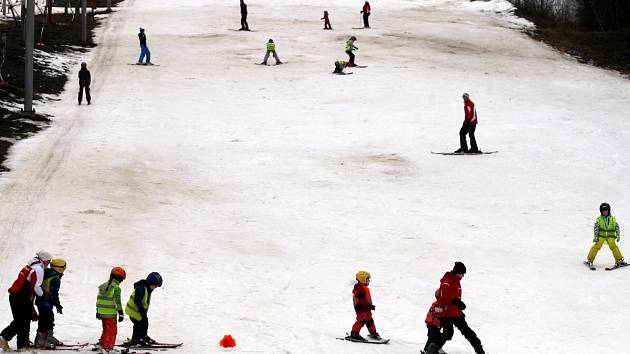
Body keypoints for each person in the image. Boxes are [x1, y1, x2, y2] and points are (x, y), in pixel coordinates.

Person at [0, 250, 53, 352]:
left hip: (15, 296)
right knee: (24, 321)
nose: (49, 263)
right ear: (44, 260)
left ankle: (3, 338)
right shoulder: (38, 269)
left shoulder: (32, 265)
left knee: (21, 320)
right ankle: (23, 347)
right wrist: (43, 295)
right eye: (49, 261)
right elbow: (36, 287)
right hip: (21, 296)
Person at [435, 262, 485, 354]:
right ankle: (432, 350)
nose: (463, 276)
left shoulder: (456, 281)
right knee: (448, 334)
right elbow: (444, 296)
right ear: (457, 272)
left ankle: (480, 351)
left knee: (468, 332)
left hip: (456, 313)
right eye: (462, 273)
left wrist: (458, 306)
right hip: (447, 313)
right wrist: (455, 301)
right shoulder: (446, 281)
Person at [34, 259, 66, 349]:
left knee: (49, 318)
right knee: (45, 321)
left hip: (41, 301)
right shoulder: (55, 278)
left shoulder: (46, 272)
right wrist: (58, 305)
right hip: (46, 302)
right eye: (64, 267)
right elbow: (54, 294)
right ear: (60, 268)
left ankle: (48, 337)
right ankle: (40, 341)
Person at [124, 272, 163, 346]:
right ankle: (136, 339)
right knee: (139, 325)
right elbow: (137, 300)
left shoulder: (147, 288)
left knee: (144, 323)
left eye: (155, 287)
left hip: (139, 311)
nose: (154, 288)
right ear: (149, 283)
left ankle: (143, 336)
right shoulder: (141, 288)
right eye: (154, 286)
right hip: (134, 311)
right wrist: (141, 309)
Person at [585, 203, 627, 268]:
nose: (605, 212)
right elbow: (596, 227)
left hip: (610, 236)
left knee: (613, 246)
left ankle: (619, 260)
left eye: (606, 210)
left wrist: (618, 235)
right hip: (601, 236)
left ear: (609, 210)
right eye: (603, 211)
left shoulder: (612, 219)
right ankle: (590, 260)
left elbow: (616, 227)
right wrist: (596, 236)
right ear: (601, 211)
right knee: (596, 246)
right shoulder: (599, 219)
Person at [96, 267, 126, 354]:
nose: (122, 282)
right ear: (119, 278)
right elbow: (117, 302)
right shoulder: (116, 288)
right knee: (112, 331)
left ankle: (102, 345)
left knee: (106, 329)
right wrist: (120, 312)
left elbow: (98, 299)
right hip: (110, 314)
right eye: (122, 279)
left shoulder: (103, 285)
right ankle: (108, 348)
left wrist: (97, 311)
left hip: (102, 313)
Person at [349, 271, 382, 341]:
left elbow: (366, 299)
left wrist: (370, 305)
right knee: (361, 321)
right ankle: (354, 333)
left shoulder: (363, 288)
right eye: (368, 279)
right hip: (362, 309)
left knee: (370, 321)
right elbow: (359, 299)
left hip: (366, 308)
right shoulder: (359, 288)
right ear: (362, 279)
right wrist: (364, 306)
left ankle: (373, 333)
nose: (369, 281)